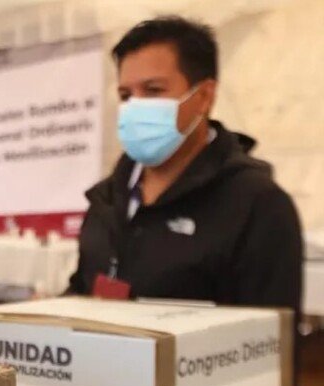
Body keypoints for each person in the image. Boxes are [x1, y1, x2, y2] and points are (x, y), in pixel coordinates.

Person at [68, 17, 302, 316]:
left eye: (153, 90)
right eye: (126, 95)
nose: (135, 107)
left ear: (204, 97)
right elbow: (83, 290)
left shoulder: (257, 205)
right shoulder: (107, 199)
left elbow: (270, 335)